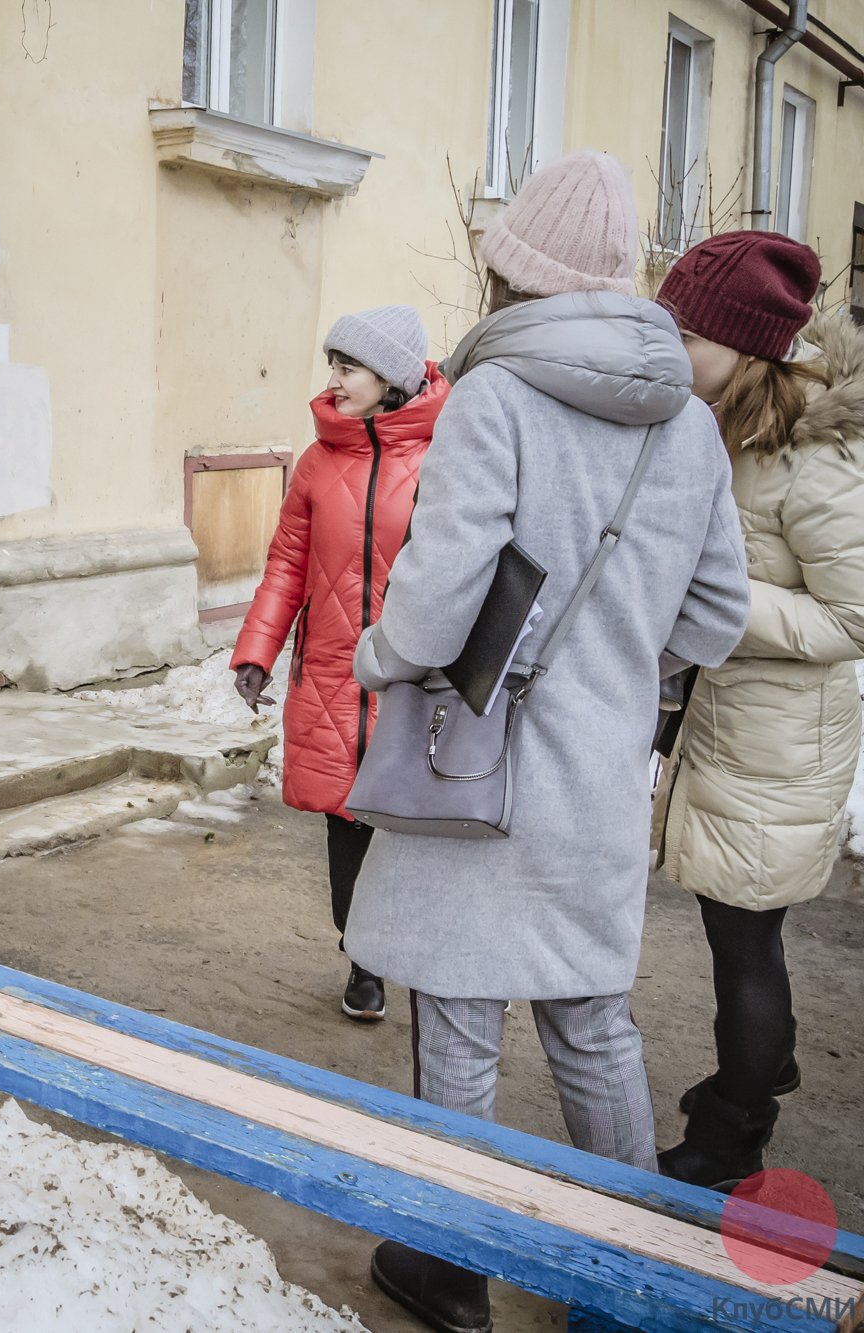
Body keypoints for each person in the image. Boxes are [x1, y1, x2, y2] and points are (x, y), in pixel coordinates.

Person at [344, 151, 750, 1333]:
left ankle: (447, 1267)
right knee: (590, 1020)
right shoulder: (689, 421)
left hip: (482, 766)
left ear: (511, 272)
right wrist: (617, 673)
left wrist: (379, 658)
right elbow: (714, 617)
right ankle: (623, 1282)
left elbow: (428, 609)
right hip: (599, 776)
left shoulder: (494, 399)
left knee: (461, 1019)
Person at [650, 232, 862, 1191]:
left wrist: (722, 600)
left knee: (746, 942)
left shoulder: (815, 459)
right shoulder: (722, 427)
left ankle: (735, 1132)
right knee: (736, 929)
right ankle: (759, 1059)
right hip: (734, 727)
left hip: (780, 743)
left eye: (684, 331)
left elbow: (854, 612)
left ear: (742, 348)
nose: (669, 347)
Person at [231, 306, 448, 1023]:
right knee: (345, 823)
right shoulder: (319, 461)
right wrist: (257, 651)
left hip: (413, 680)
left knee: (408, 828)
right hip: (331, 673)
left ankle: (417, 957)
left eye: (348, 366)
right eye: (334, 364)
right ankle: (365, 961)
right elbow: (287, 564)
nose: (334, 380)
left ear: (390, 377)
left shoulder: (446, 455)